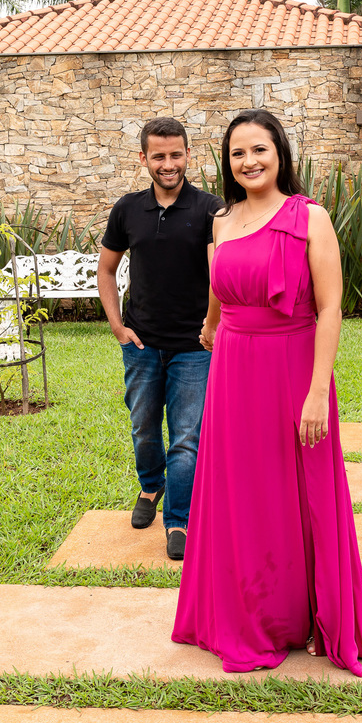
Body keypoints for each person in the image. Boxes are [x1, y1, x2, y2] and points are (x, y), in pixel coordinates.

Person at [171, 109, 362, 677]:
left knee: (303, 492)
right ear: (228, 162)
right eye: (237, 153)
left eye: (259, 150)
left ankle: (310, 616)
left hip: (294, 369)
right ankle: (253, 612)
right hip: (233, 372)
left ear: (280, 153)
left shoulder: (310, 216)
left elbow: (331, 307)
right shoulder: (222, 220)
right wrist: (212, 325)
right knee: (244, 494)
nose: (249, 162)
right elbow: (219, 287)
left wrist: (319, 392)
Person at [97, 117, 222, 561]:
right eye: (158, 156)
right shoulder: (127, 209)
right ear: (144, 159)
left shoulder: (212, 209)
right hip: (142, 344)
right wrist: (117, 325)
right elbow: (107, 269)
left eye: (175, 155)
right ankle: (150, 488)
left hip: (194, 348)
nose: (168, 164)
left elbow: (221, 275)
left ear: (188, 154)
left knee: (187, 437)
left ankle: (179, 520)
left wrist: (212, 326)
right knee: (144, 429)